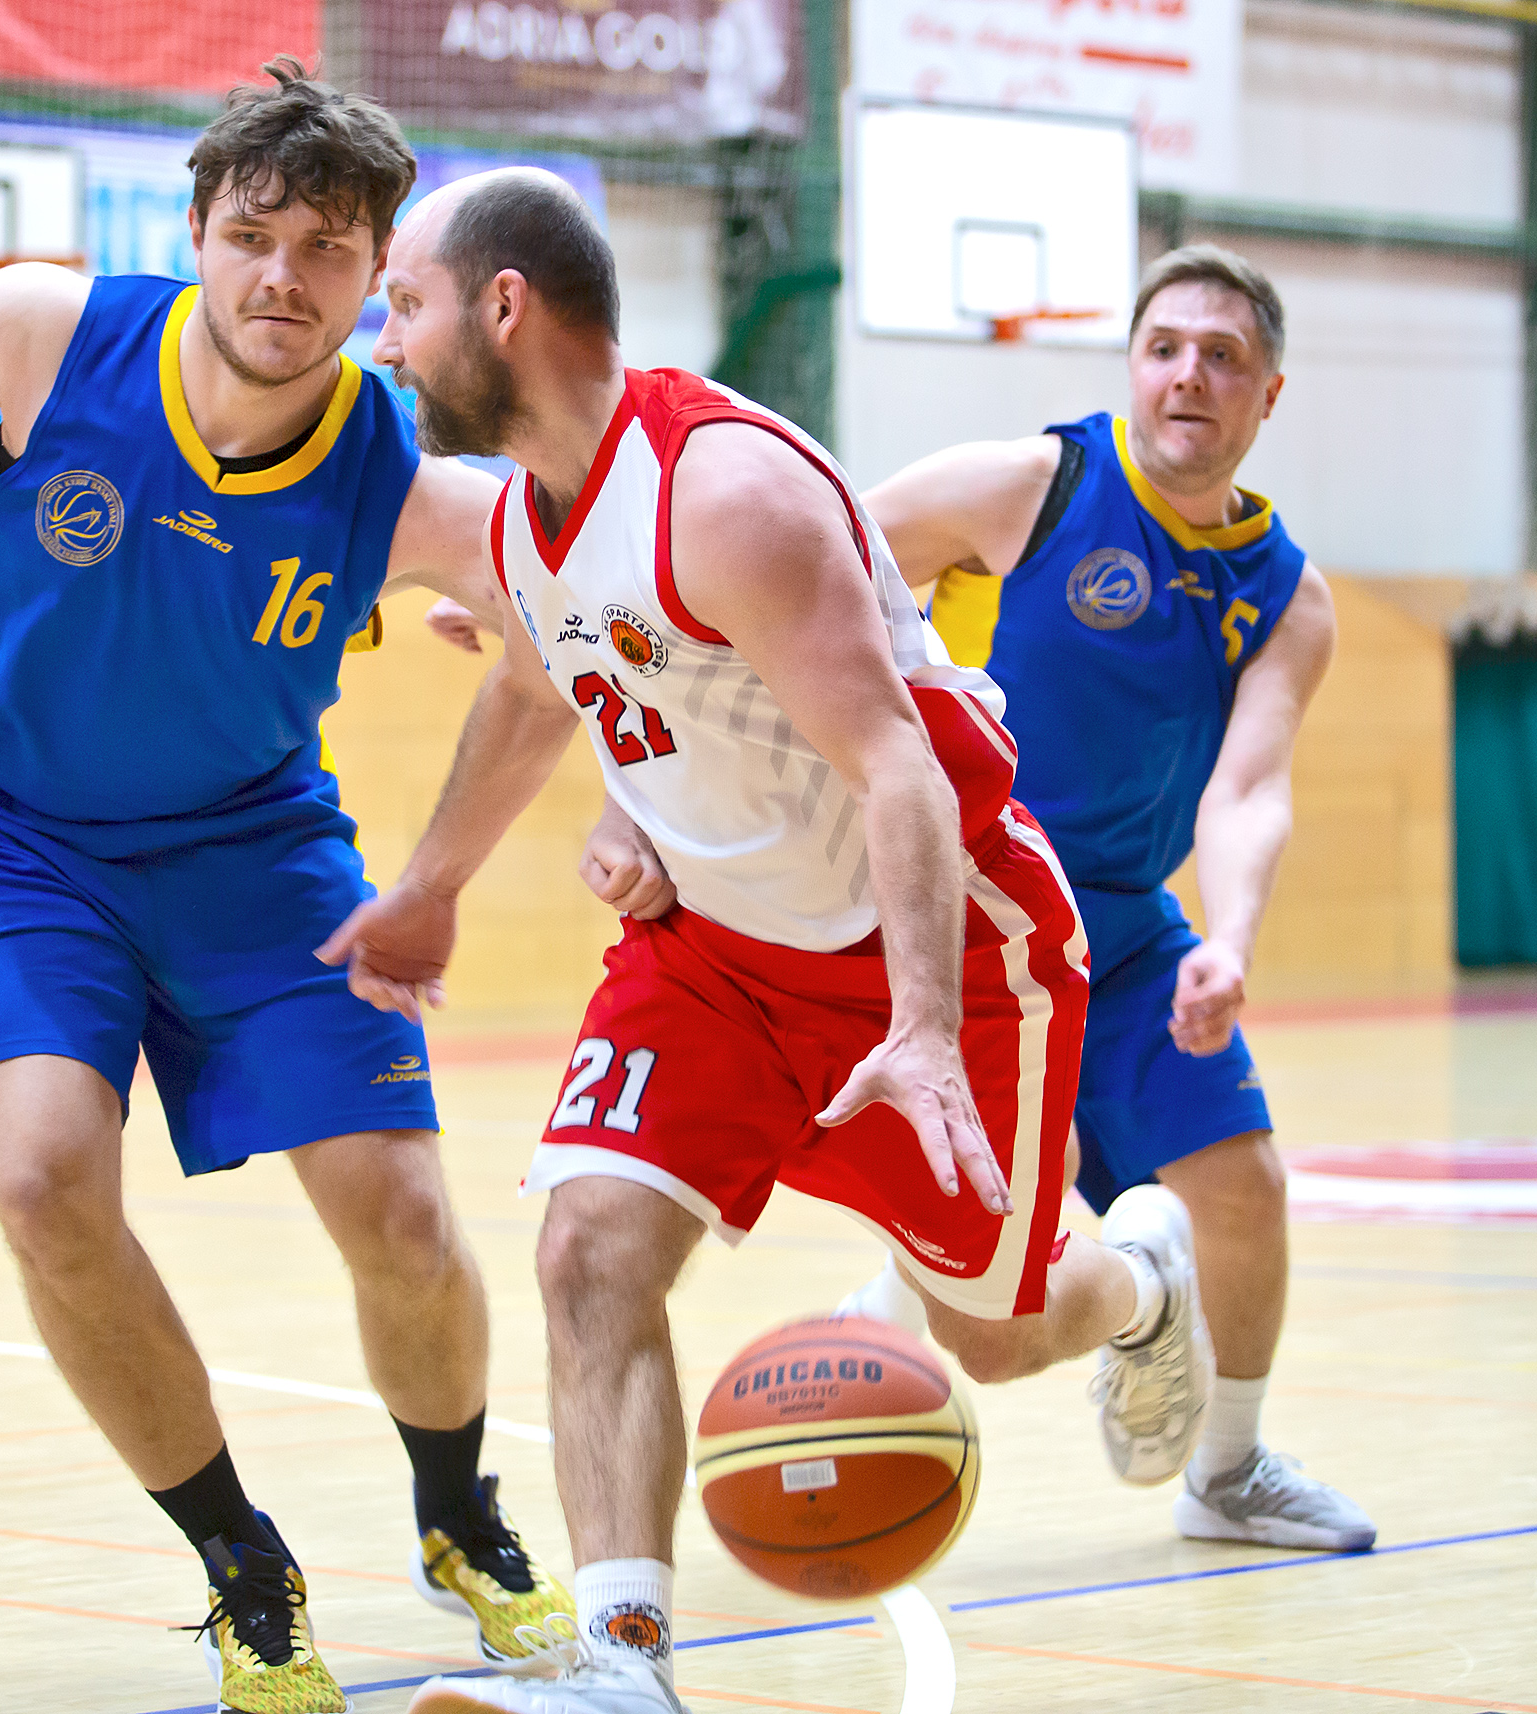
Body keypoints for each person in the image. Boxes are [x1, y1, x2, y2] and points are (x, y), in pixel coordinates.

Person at [320, 168, 1213, 1714]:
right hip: (712, 958)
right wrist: (432, 885)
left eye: (404, 303)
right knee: (588, 1246)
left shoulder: (726, 490)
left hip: (934, 943)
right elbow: (538, 692)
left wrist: (923, 1025)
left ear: (505, 307)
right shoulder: (524, 513)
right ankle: (624, 1666)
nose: (383, 340)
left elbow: (900, 769)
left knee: (996, 1336)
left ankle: (1137, 1277)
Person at [0, 66, 584, 1712]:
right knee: (43, 1182)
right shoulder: (52, 334)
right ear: (198, 230)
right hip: (15, 839)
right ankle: (240, 1561)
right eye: (254, 235)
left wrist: (448, 871)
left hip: (257, 855)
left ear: (377, 276)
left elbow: (580, 649)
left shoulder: (411, 481)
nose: (284, 276)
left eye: (328, 249)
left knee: (405, 1218)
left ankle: (457, 1512)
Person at [851, 243, 1374, 1553]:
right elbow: (796, 562)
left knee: (1244, 1184)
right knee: (1004, 1250)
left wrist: (1231, 941)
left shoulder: (1286, 593)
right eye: (1165, 348)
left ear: (1269, 395)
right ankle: (902, 1328)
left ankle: (1229, 1471)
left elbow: (1247, 787)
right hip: (975, 911)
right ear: (1132, 368)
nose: (1189, 374)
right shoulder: (1031, 487)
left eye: (1223, 357)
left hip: (1130, 925)